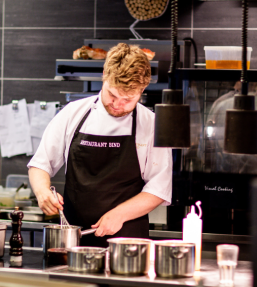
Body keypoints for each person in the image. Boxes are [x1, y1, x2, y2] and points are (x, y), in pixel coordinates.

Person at [27, 43, 172, 247]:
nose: (118, 104)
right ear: (104, 75)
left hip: (127, 244)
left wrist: (120, 214)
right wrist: (42, 191)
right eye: (112, 95)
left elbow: (159, 188)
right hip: (74, 240)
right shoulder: (73, 114)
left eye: (128, 99)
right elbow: (40, 164)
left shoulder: (151, 124)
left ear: (142, 89)